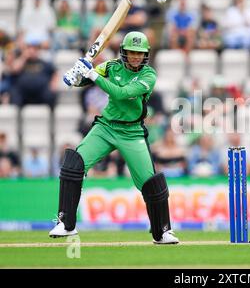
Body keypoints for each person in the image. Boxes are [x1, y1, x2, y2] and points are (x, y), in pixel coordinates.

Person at [49, 31, 179, 244]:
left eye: (140, 53)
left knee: (150, 183)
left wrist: (92, 75)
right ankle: (66, 224)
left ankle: (162, 231)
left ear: (146, 55)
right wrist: (78, 73)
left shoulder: (148, 76)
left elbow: (121, 93)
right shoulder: (110, 66)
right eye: (131, 52)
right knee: (74, 164)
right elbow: (85, 81)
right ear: (124, 52)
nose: (136, 57)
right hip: (106, 127)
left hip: (132, 132)